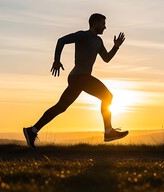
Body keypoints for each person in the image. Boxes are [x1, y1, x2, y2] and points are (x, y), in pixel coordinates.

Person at [23, 13, 128, 148]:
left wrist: (116, 47)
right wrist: (56, 60)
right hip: (80, 77)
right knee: (107, 96)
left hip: (79, 78)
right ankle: (108, 132)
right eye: (103, 24)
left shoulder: (98, 41)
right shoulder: (83, 35)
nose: (105, 27)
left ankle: (32, 130)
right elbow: (61, 41)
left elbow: (106, 58)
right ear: (95, 23)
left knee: (61, 107)